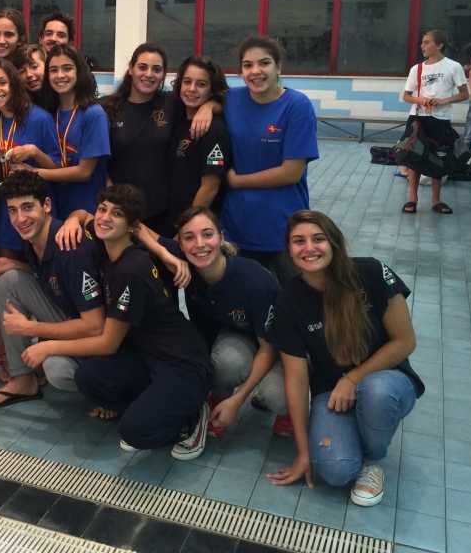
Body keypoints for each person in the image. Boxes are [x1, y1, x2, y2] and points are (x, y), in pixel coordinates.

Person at [25, 185, 212, 459]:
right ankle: (155, 406)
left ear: (132, 226)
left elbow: (108, 343)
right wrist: (72, 221)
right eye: (103, 209)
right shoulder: (108, 244)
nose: (104, 218)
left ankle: (192, 414)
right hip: (146, 357)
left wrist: (47, 346)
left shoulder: (131, 270)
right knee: (88, 377)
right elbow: (83, 214)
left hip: (182, 363)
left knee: (133, 433)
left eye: (117, 214)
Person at [267, 211, 422, 508]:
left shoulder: (370, 271)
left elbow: (405, 341)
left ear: (334, 242)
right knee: (336, 471)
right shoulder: (289, 301)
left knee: (375, 392)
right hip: (331, 390)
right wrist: (303, 453)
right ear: (289, 249)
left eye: (318, 239)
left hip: (386, 379)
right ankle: (357, 431)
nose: (309, 248)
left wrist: (352, 379)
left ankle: (373, 460)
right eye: (298, 241)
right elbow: (297, 378)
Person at [138, 207, 289, 438]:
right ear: (181, 244)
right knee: (225, 362)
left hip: (279, 345)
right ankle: (218, 399)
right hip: (241, 334)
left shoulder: (255, 283)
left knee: (277, 395)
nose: (199, 244)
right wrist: (165, 254)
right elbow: (135, 226)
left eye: (207, 234)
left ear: (221, 237)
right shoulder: (185, 260)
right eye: (189, 237)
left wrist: (238, 400)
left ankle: (285, 412)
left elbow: (268, 349)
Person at [0, 172, 105, 409]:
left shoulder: (70, 249)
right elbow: (53, 274)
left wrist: (31, 328)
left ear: (46, 205)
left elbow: (96, 326)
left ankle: (105, 388)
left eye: (27, 207)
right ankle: (22, 379)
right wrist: (15, 264)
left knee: (57, 368)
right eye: (13, 210)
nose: (20, 218)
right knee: (8, 280)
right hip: (71, 317)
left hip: (100, 341)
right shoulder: (34, 237)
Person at [221, 36, 319, 285]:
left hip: (283, 228)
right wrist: (204, 109)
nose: (255, 71)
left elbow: (291, 172)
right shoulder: (232, 99)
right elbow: (208, 102)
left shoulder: (296, 105)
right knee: (246, 300)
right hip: (237, 226)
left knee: (299, 297)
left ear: (278, 67)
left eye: (264, 63)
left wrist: (236, 182)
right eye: (247, 65)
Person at [103, 43, 216, 238]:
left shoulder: (173, 104)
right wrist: (112, 200)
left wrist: (210, 106)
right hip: (119, 210)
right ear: (131, 68)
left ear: (164, 74)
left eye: (156, 69)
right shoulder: (107, 108)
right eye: (142, 67)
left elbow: (222, 99)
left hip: (160, 213)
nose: (149, 74)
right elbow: (98, 162)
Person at [0, 58, 61, 257]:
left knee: (45, 267)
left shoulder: (40, 118)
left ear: (14, 83)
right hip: (9, 208)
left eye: (2, 82)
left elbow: (57, 169)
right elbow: (2, 171)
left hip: (37, 207)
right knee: (7, 268)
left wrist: (34, 152)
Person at [29, 44, 110, 220]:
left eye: (67, 68)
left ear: (79, 72)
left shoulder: (93, 114)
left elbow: (84, 172)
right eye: (53, 70)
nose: (60, 75)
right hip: (55, 208)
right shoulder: (49, 114)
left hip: (87, 211)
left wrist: (34, 173)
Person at [401, 30, 469, 214]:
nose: (422, 46)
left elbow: (464, 94)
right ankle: (412, 198)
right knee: (414, 157)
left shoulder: (453, 67)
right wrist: (422, 100)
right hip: (418, 117)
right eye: (422, 42)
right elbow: (407, 96)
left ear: (439, 45)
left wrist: (445, 100)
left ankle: (436, 200)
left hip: (440, 120)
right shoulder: (417, 69)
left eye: (426, 42)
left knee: (439, 157)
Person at [167, 55, 232, 224]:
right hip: (173, 218)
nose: (192, 89)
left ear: (212, 90)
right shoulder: (180, 118)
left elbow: (210, 187)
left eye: (201, 84)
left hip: (195, 225)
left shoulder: (215, 130)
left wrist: (186, 227)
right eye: (187, 82)